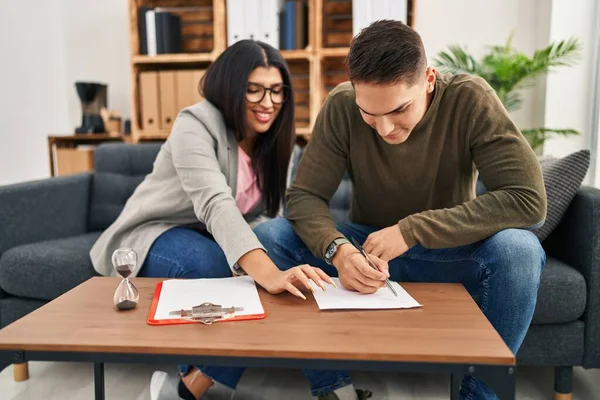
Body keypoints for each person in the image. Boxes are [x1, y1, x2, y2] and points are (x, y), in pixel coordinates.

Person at [254, 20, 547, 400]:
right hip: (366, 249)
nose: (384, 128)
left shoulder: (471, 99)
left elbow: (528, 198)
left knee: (520, 250)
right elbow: (305, 196)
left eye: (399, 109)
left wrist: (412, 230)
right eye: (369, 114)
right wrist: (337, 250)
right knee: (269, 237)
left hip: (449, 253)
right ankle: (335, 391)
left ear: (428, 79)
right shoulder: (341, 105)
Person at [89, 40, 363, 400]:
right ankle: (191, 387)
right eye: (255, 90)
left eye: (277, 91)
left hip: (220, 235)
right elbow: (215, 202)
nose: (268, 102)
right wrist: (266, 272)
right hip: (156, 231)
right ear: (232, 86)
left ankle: (331, 388)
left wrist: (272, 262)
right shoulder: (195, 124)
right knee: (218, 265)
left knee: (280, 253)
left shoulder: (279, 140)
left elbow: (270, 216)